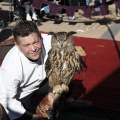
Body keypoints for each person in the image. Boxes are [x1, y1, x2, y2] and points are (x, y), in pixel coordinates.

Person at [0, 21, 54, 120]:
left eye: (36, 42)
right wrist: (32, 117)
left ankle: (64, 104)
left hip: (43, 83)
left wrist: (52, 91)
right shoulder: (10, 68)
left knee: (65, 84)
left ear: (40, 37)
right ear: (17, 45)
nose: (33, 48)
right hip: (21, 96)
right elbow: (7, 100)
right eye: (26, 45)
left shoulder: (50, 42)